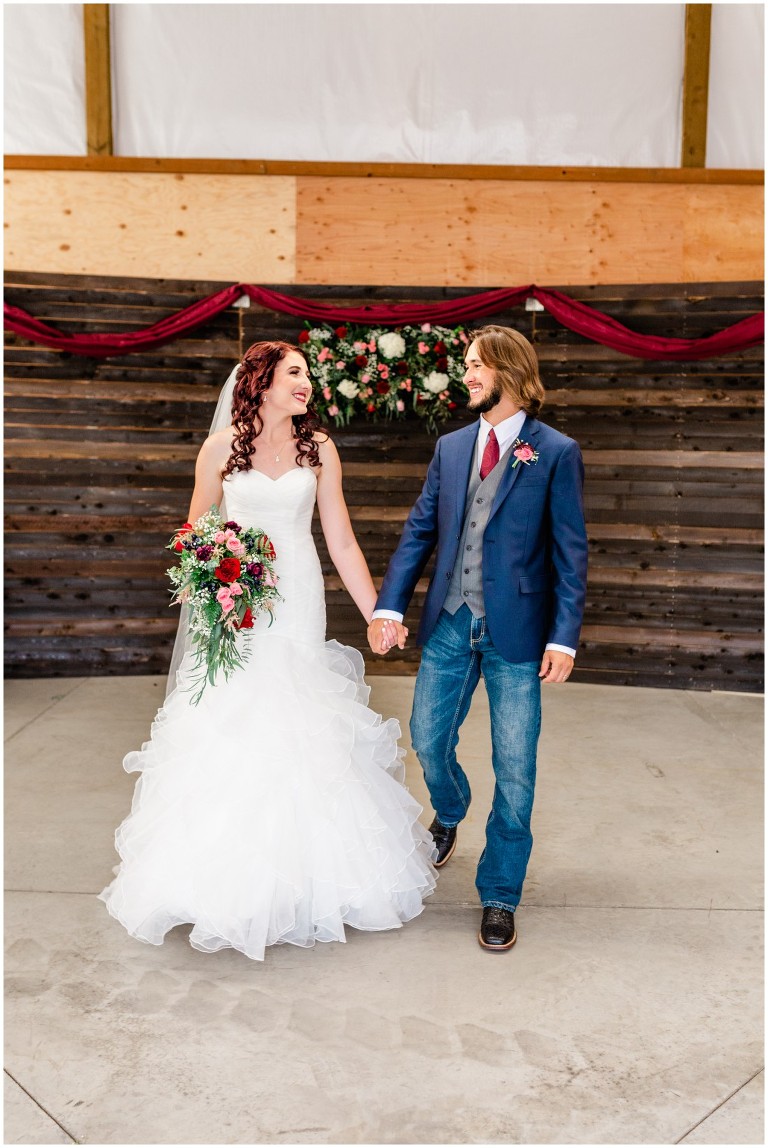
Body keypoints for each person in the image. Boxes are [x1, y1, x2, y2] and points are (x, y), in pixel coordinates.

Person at [99, 341, 437, 961]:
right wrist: (220, 571)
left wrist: (377, 615)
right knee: (236, 719)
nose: (307, 384)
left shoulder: (320, 449)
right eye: (295, 374)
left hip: (298, 597)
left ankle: (307, 881)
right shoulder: (219, 447)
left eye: (307, 375)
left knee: (298, 719)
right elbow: (193, 530)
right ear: (260, 383)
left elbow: (340, 540)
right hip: (238, 605)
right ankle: (225, 880)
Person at [367, 325, 588, 952]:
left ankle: (499, 891)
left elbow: (571, 553)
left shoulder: (556, 452)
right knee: (429, 741)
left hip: (518, 631)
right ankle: (452, 807)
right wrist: (390, 605)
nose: (466, 375)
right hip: (450, 622)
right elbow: (419, 532)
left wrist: (564, 638)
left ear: (509, 372)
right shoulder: (453, 446)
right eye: (465, 365)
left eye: (475, 366)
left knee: (516, 769)